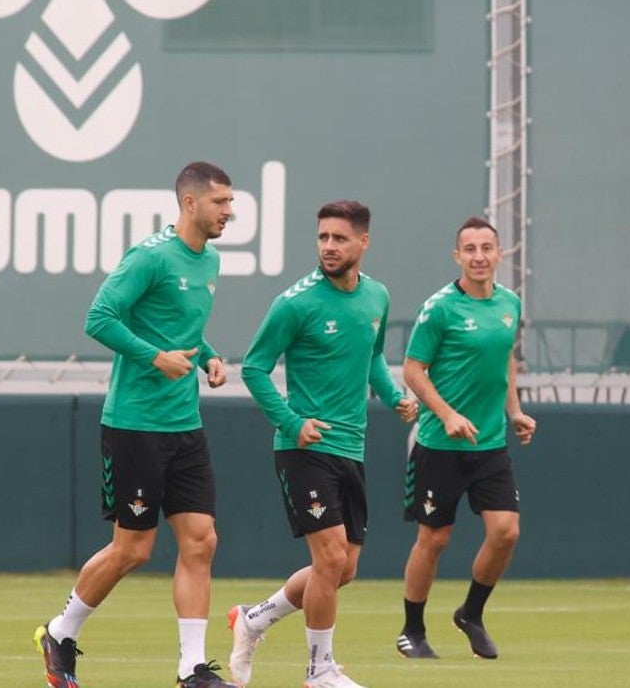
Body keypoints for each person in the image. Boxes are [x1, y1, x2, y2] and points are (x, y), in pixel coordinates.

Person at [35, 161, 239, 688]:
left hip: (184, 425)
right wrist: (156, 358)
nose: (229, 212)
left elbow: (181, 327)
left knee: (201, 540)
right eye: (221, 202)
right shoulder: (150, 256)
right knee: (134, 548)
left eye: (230, 202)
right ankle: (61, 631)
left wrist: (207, 357)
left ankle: (192, 668)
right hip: (134, 424)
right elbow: (99, 318)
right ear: (190, 203)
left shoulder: (210, 259)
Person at [227, 200, 418, 688]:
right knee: (330, 559)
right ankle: (320, 671)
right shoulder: (296, 302)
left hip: (350, 448)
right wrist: (291, 423)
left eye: (339, 238)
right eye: (322, 238)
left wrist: (394, 395)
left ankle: (254, 620)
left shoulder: (377, 296)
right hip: (302, 448)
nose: (329, 247)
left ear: (363, 243)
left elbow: (372, 356)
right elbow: (253, 366)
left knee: (342, 569)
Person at [394, 216, 537, 661]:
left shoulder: (509, 303)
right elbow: (413, 370)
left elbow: (505, 361)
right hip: (440, 444)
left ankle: (470, 613)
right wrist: (448, 413)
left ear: (499, 254)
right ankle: (412, 631)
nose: (478, 256)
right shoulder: (440, 308)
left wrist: (514, 412)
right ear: (457, 256)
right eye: (469, 249)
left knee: (506, 532)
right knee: (434, 540)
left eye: (486, 248)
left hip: (490, 444)